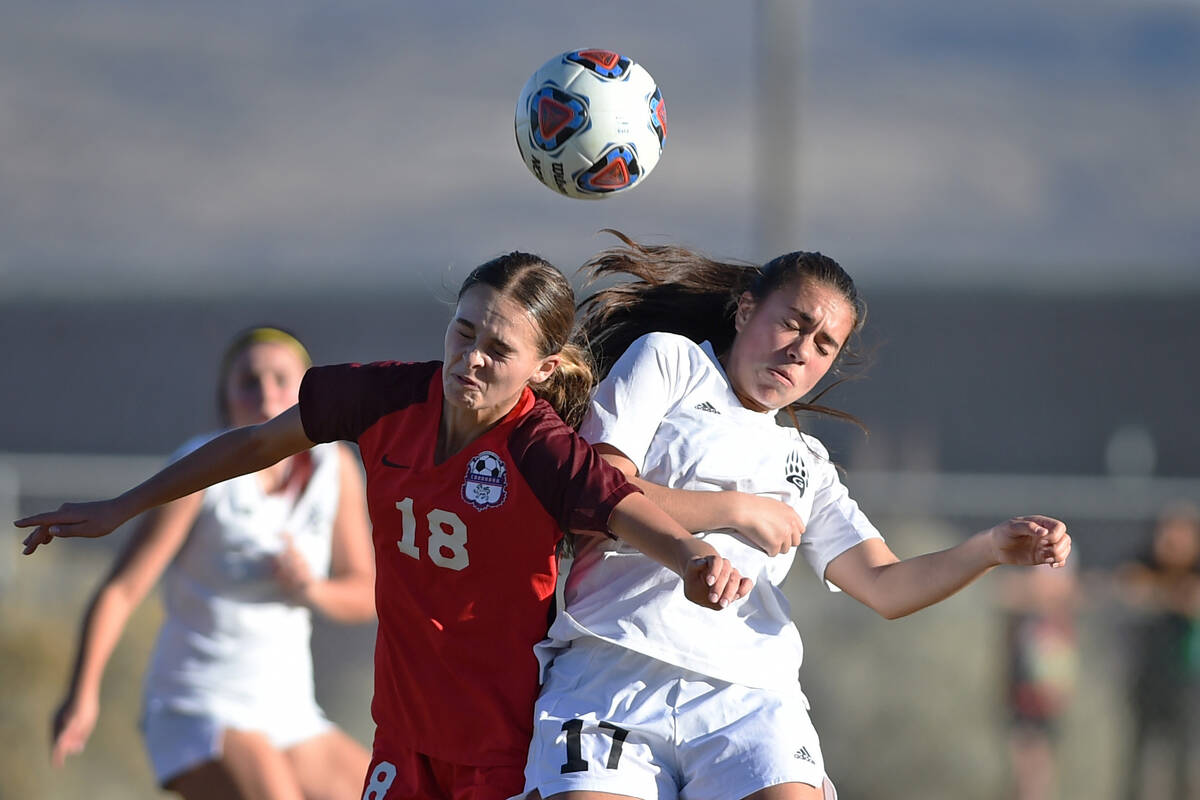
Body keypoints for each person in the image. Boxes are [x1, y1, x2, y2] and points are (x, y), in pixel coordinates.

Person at [18, 253, 752, 800]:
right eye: (463, 332)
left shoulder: (541, 451)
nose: (471, 359)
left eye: (498, 350)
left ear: (541, 366)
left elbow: (624, 505)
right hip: (403, 732)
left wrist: (692, 560)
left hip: (500, 747)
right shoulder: (386, 397)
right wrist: (121, 506)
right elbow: (251, 443)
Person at [520, 233, 1073, 800]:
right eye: (793, 323)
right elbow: (595, 496)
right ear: (745, 310)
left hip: (748, 697)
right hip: (613, 671)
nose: (801, 350)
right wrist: (735, 512)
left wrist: (990, 550)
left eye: (825, 344)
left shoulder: (807, 463)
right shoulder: (671, 361)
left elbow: (885, 586)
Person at [47, 326, 376, 800]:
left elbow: (366, 591)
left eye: (281, 378)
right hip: (198, 704)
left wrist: (311, 589)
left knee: (389, 790)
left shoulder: (335, 467)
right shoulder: (201, 471)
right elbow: (121, 590)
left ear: (308, 391)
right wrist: (81, 694)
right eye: (248, 380)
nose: (265, 392)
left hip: (289, 710)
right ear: (226, 398)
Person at [1118, 501, 1200, 800]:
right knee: (1139, 759)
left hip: (1187, 682)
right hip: (1147, 680)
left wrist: (1166, 593)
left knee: (1187, 760)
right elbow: (1131, 588)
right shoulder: (1145, 562)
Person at [999, 556, 1080, 800]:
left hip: (1045, 703)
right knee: (1023, 764)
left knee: (1039, 765)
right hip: (1022, 700)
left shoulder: (1060, 620)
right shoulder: (1022, 618)